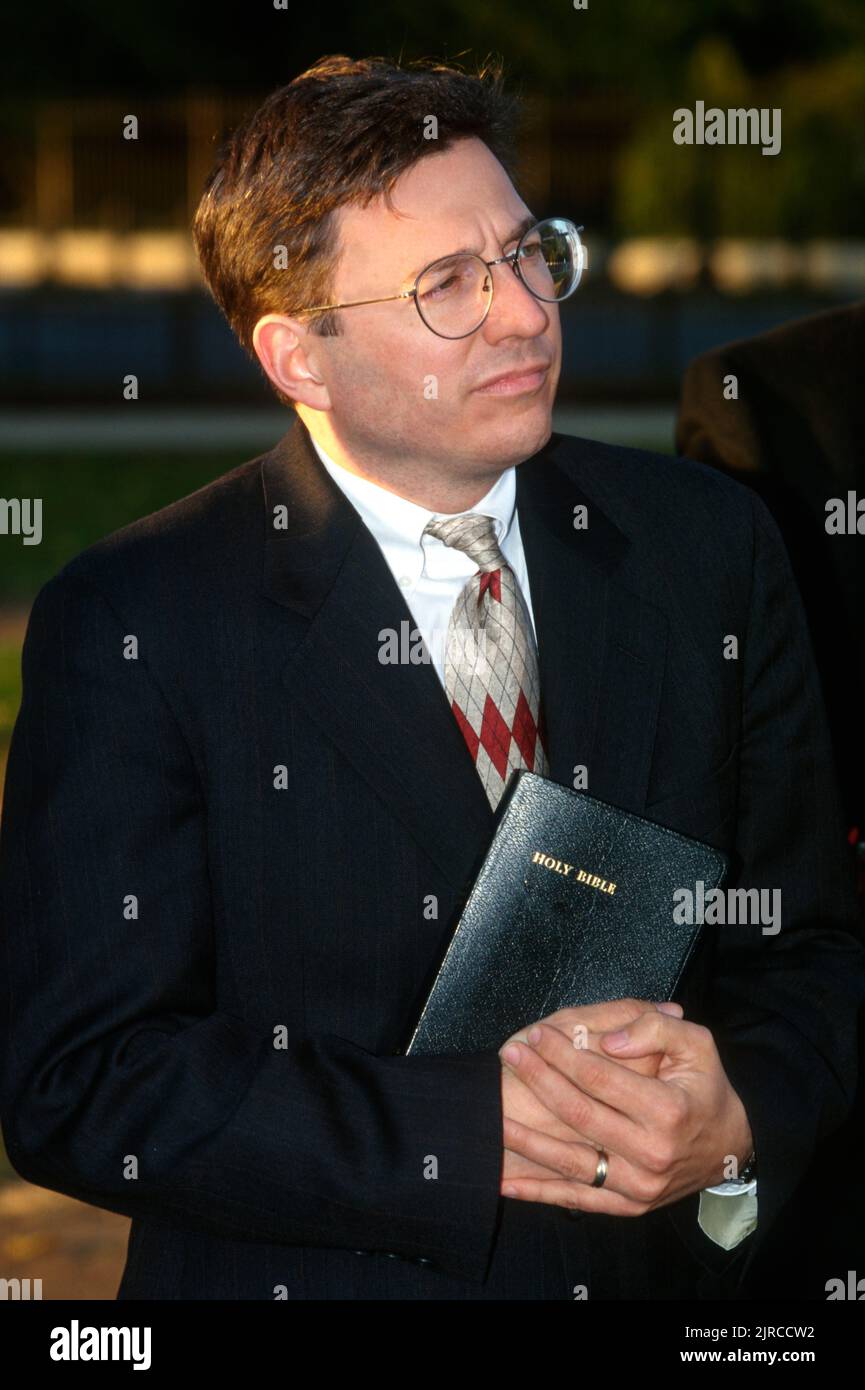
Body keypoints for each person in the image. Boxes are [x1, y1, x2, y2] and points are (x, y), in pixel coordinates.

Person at [0, 55, 861, 1302]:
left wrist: (740, 1112)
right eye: (447, 284)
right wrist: (466, 1131)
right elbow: (81, 1080)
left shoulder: (708, 546)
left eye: (527, 253)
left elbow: (812, 942)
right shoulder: (137, 621)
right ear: (299, 357)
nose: (523, 314)